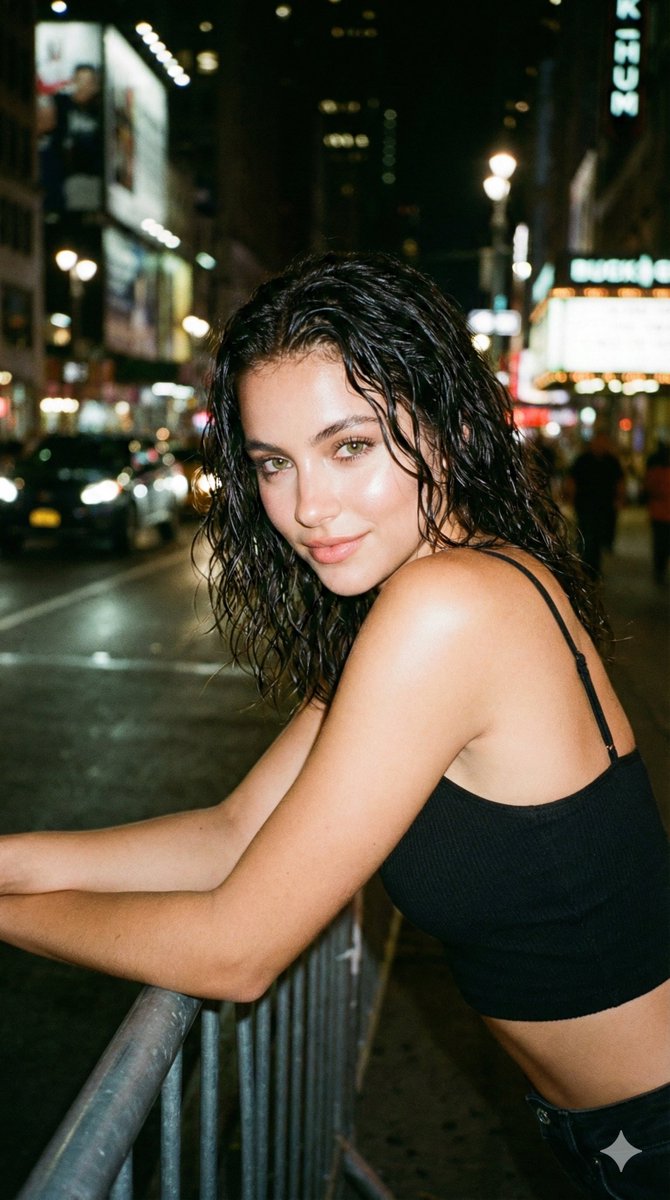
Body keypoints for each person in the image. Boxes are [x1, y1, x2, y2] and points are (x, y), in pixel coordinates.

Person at [0, 252, 668, 1200]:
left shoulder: (450, 608)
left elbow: (235, 950)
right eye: (274, 462)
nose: (307, 508)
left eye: (349, 446)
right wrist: (13, 864)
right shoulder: (452, 584)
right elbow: (236, 832)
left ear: (453, 429)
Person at [564, 431, 625, 578]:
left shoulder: (612, 461)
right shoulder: (583, 460)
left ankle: (592, 565)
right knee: (586, 533)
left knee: (598, 536)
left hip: (604, 506)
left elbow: (620, 481)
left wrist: (619, 498)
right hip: (585, 505)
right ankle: (587, 564)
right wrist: (571, 498)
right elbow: (572, 480)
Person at [643, 440, 670, 585]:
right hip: (660, 514)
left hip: (659, 514)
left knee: (660, 544)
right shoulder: (658, 472)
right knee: (661, 544)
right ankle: (659, 570)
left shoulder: (655, 471)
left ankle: (660, 570)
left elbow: (649, 488)